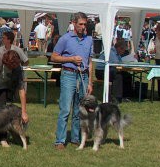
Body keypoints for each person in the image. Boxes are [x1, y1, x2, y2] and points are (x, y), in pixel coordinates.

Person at [51, 12, 94, 149]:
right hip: (69, 75)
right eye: (80, 24)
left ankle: (76, 138)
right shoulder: (65, 38)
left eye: (85, 24)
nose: (83, 27)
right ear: (74, 23)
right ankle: (60, 141)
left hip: (83, 76)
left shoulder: (89, 40)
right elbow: (54, 57)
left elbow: (90, 61)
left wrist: (90, 82)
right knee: (65, 109)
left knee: (79, 109)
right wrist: (71, 59)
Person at [94, 38, 131, 103]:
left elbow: (120, 64)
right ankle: (117, 98)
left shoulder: (117, 54)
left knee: (127, 75)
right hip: (101, 71)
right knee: (118, 76)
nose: (123, 52)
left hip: (108, 69)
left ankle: (126, 96)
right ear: (119, 48)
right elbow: (116, 64)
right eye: (123, 50)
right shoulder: (111, 52)